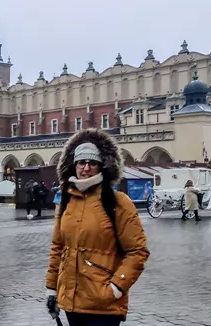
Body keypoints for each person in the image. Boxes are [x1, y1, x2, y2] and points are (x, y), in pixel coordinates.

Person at [46, 129, 149, 326]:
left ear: (102, 166)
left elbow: (137, 251)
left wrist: (116, 288)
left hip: (103, 305)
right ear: (74, 165)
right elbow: (58, 248)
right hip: (71, 302)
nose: (86, 168)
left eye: (92, 163)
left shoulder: (118, 202)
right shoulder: (67, 201)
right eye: (81, 163)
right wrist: (51, 289)